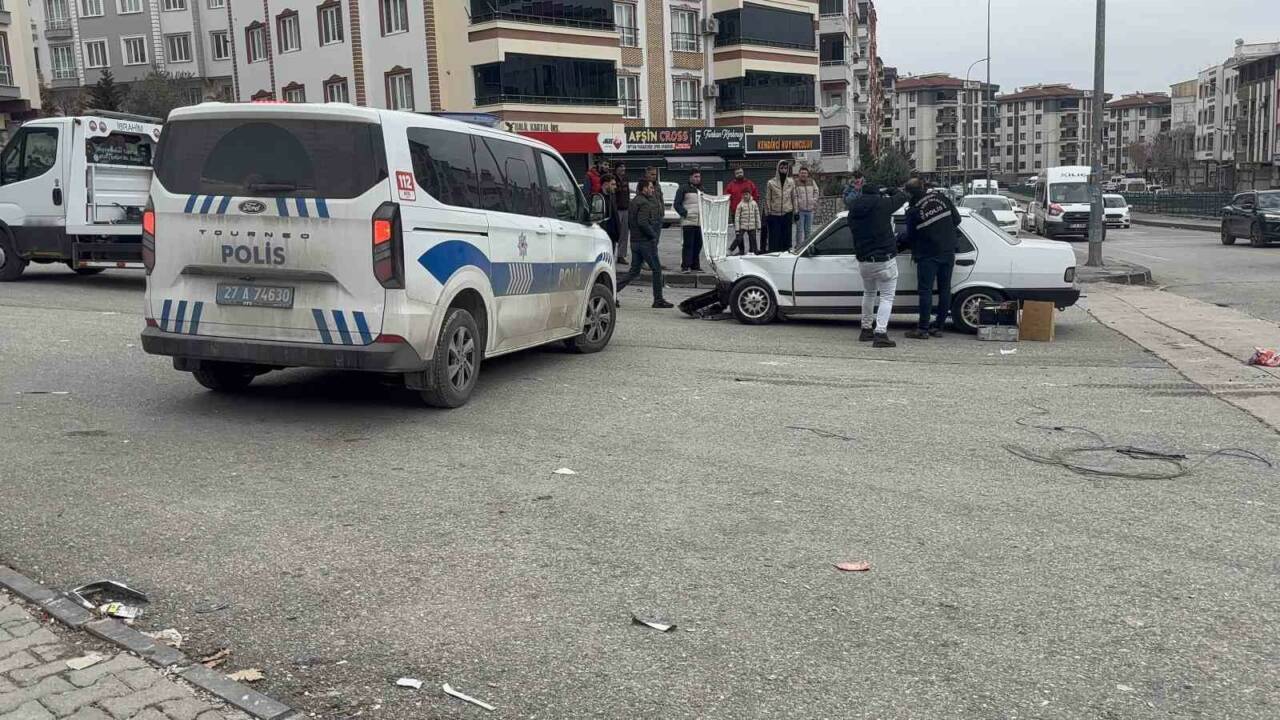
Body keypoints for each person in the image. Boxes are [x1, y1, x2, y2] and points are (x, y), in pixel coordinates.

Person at [849, 182, 909, 348]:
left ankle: (866, 329)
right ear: (877, 193)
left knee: (868, 293)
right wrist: (890, 188)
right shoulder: (882, 204)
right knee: (887, 297)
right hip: (884, 259)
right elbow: (903, 196)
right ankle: (880, 333)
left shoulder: (854, 207)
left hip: (864, 261)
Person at [903, 178, 963, 339]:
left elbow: (910, 237)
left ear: (909, 193)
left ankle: (922, 329)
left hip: (928, 255)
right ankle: (938, 327)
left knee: (926, 291)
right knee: (945, 290)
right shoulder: (942, 199)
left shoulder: (914, 211)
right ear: (923, 187)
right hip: (948, 251)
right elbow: (957, 220)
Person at [616, 179, 673, 309]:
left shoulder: (634, 201)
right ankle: (658, 299)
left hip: (635, 241)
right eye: (650, 188)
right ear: (644, 189)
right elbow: (642, 222)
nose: (652, 190)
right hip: (645, 242)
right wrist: (653, 235)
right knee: (656, 269)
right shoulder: (644, 203)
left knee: (634, 271)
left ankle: (613, 291)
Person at [673, 170, 705, 273]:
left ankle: (695, 266)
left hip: (699, 222)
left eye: (699, 177)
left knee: (698, 244)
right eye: (695, 176)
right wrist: (685, 213)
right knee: (688, 244)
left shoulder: (701, 189)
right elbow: (677, 204)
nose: (697, 179)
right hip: (688, 222)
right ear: (690, 177)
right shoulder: (683, 188)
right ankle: (685, 266)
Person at [764, 160, 796, 253]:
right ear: (778, 169)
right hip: (774, 213)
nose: (783, 170)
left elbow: (794, 197)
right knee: (775, 236)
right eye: (781, 168)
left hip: (787, 212)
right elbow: (768, 198)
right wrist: (768, 213)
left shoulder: (791, 182)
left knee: (786, 235)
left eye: (785, 168)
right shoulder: (771, 182)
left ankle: (786, 252)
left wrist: (796, 211)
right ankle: (774, 252)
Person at [793, 166, 819, 248]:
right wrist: (796, 208)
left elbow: (816, 191)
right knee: (799, 230)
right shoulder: (795, 182)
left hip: (810, 210)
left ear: (807, 174)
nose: (803, 174)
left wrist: (814, 200)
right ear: (799, 174)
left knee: (808, 230)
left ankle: (807, 247)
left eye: (805, 173)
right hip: (800, 211)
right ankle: (798, 247)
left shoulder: (812, 181)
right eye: (802, 173)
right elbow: (794, 196)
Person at [595, 174, 620, 256]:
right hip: (604, 236)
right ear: (605, 184)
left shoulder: (612, 196)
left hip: (612, 236)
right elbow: (597, 219)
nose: (615, 187)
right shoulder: (598, 198)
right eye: (613, 184)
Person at [730, 191, 761, 256]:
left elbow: (757, 215)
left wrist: (758, 226)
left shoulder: (754, 203)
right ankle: (730, 249)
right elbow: (737, 217)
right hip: (742, 226)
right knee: (739, 238)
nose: (745, 196)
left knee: (753, 239)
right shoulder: (740, 204)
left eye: (747, 194)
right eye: (744, 194)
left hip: (752, 226)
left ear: (750, 194)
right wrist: (737, 229)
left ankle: (755, 252)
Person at [612, 161, 631, 264]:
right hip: (616, 210)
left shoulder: (626, 179)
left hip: (625, 209)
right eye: (621, 167)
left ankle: (621, 256)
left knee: (624, 234)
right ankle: (611, 255)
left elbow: (627, 193)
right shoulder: (612, 178)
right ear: (616, 168)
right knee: (614, 233)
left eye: (624, 167)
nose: (623, 169)